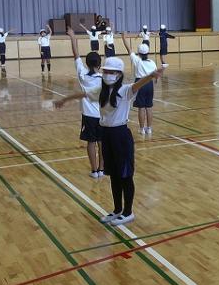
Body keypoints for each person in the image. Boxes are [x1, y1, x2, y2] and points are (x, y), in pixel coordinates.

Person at [54, 56, 164, 226]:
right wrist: (64, 100)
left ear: (119, 74)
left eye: (111, 72)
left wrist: (151, 76)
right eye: (106, 71)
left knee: (125, 175)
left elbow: (137, 85)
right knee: (113, 175)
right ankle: (117, 209)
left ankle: (128, 212)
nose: (107, 74)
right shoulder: (101, 91)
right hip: (106, 135)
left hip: (121, 136)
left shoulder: (125, 91)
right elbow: (83, 94)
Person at [66, 27, 104, 178]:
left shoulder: (82, 74)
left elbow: (76, 54)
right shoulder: (103, 79)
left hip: (88, 116)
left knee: (91, 142)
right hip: (102, 116)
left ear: (87, 64)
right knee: (102, 142)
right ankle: (102, 169)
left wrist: (73, 37)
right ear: (99, 64)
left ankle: (94, 171)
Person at [122, 33, 157, 136]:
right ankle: (149, 128)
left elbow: (129, 49)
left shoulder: (137, 60)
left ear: (139, 53)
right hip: (149, 84)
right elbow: (156, 76)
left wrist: (124, 37)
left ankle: (142, 129)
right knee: (149, 107)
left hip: (140, 84)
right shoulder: (152, 62)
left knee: (141, 107)